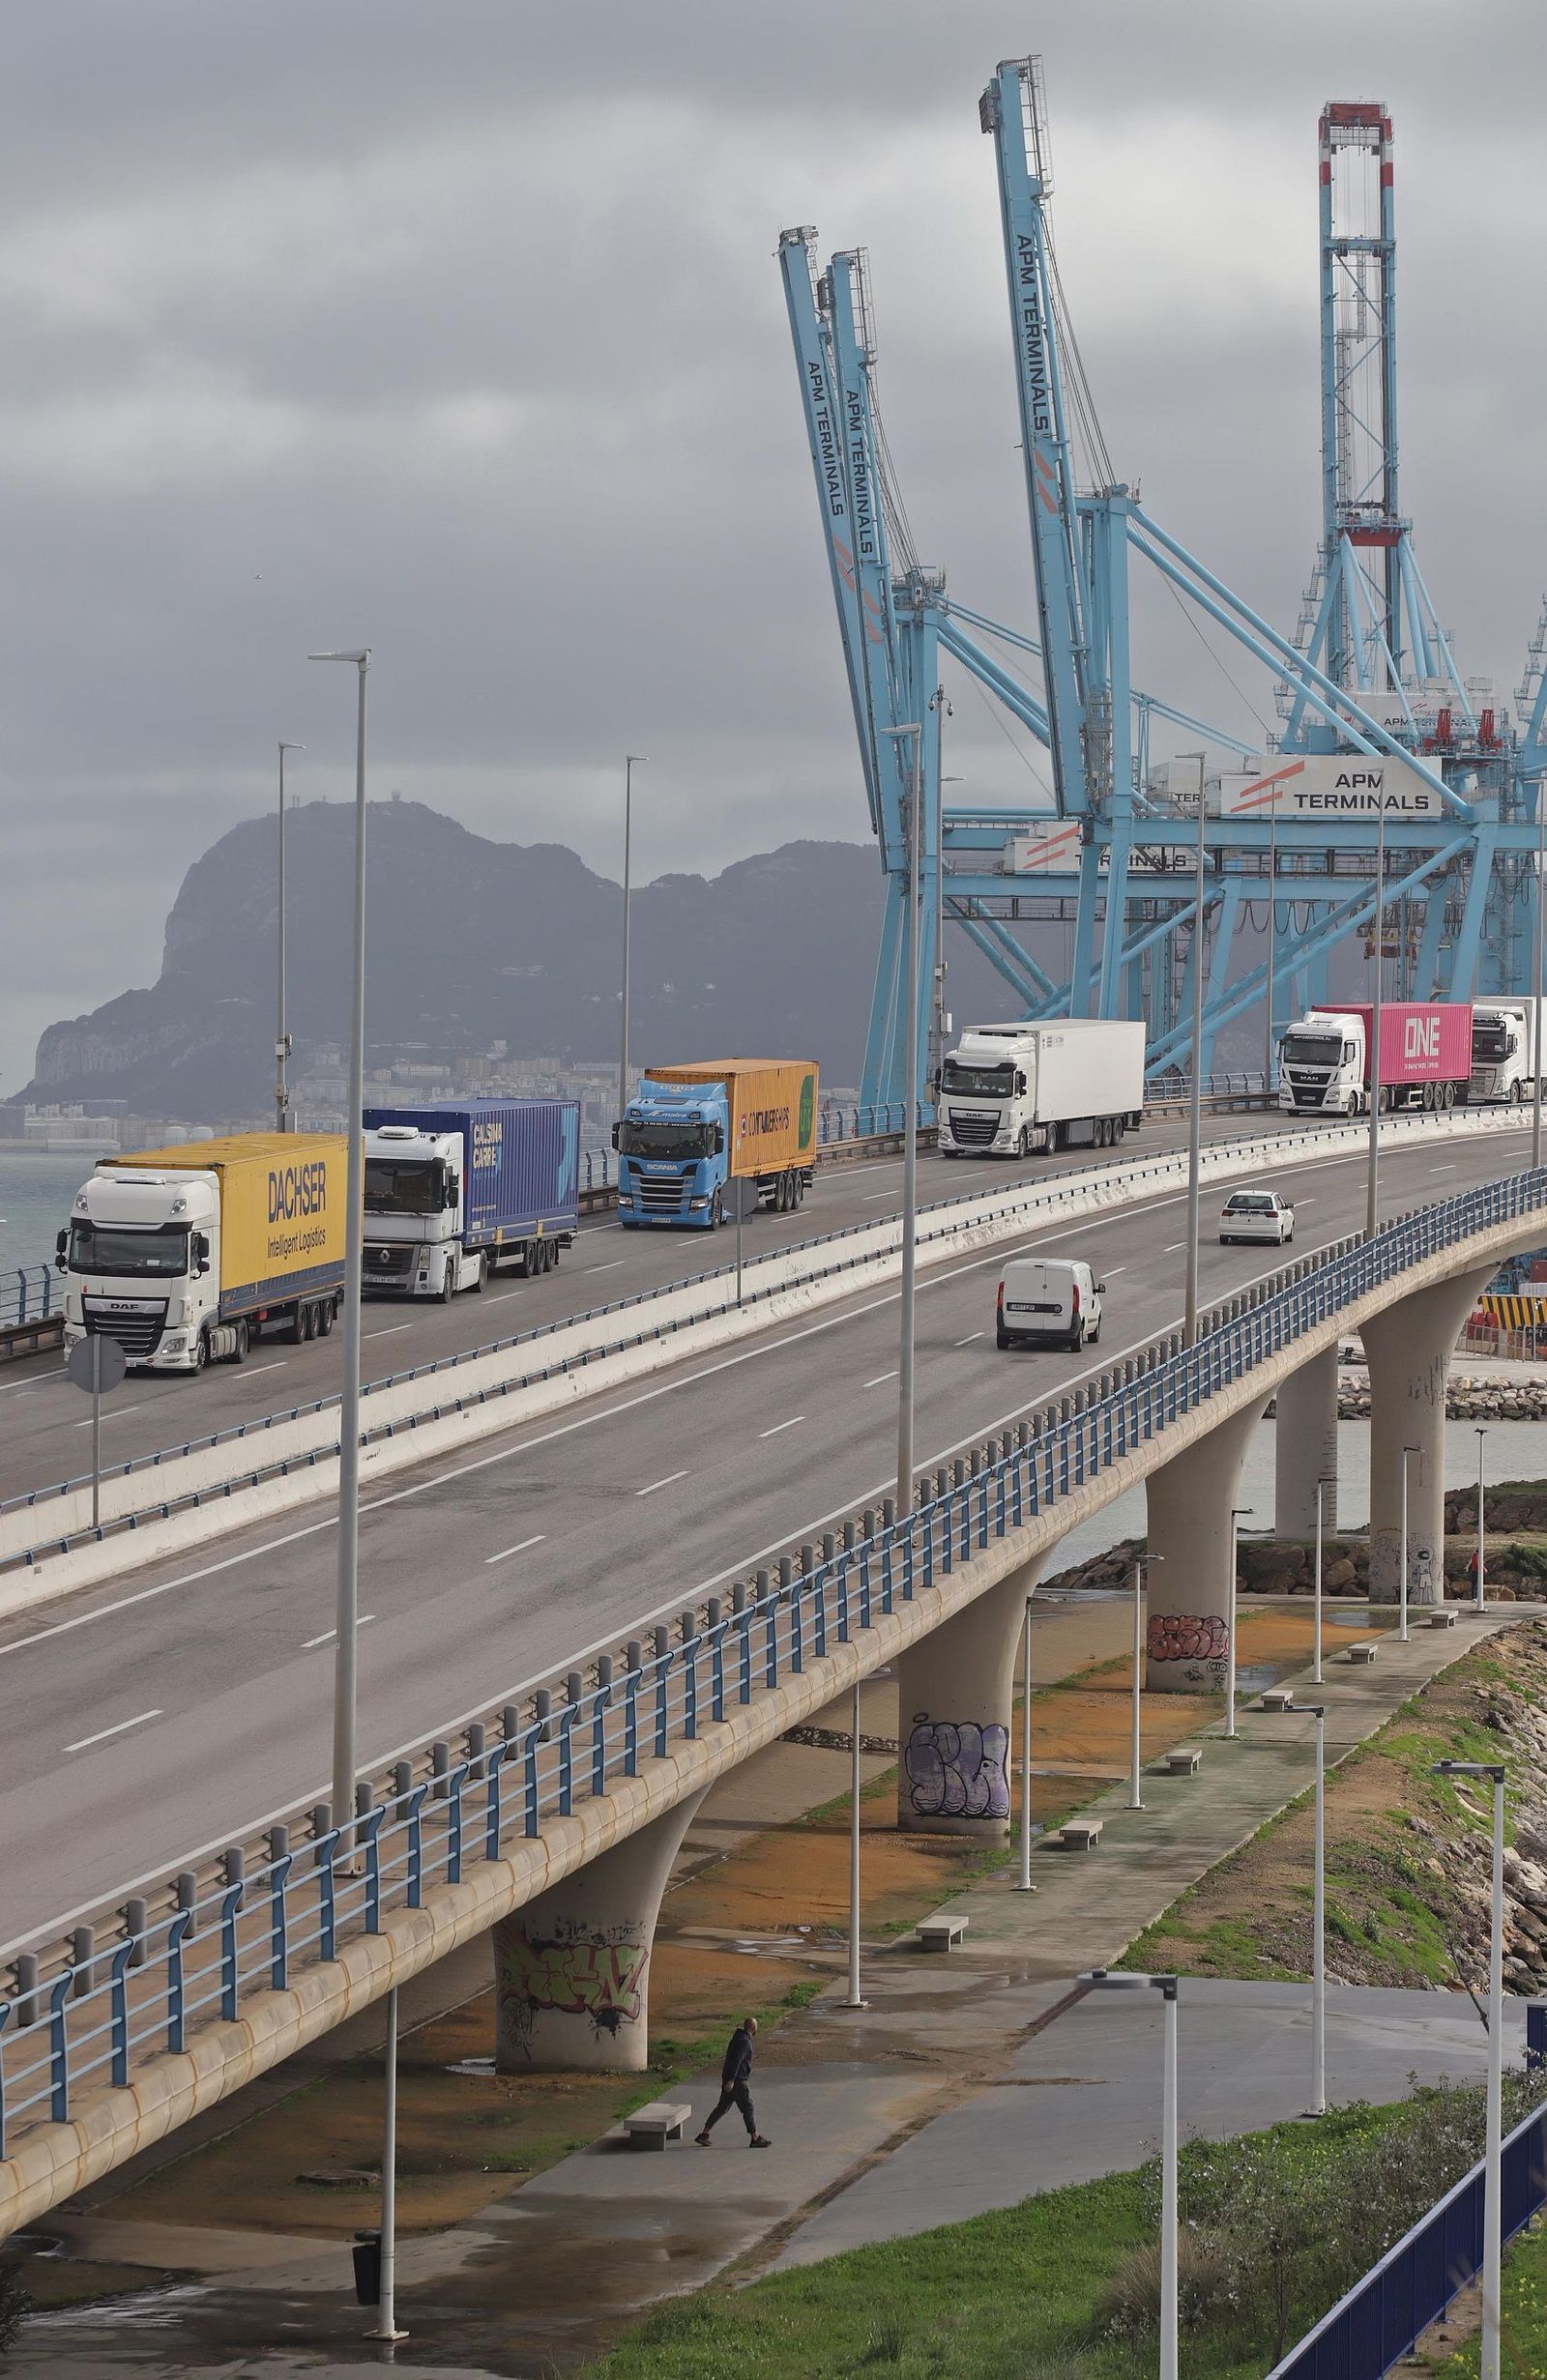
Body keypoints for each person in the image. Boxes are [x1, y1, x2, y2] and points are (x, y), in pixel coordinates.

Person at [695, 2015, 771, 2147]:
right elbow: (736, 2061)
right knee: (748, 2107)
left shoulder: (737, 2038)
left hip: (730, 2080)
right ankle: (755, 2137)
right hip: (738, 2081)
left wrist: (728, 2079)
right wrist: (731, 2079)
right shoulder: (745, 2042)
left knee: (721, 2108)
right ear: (753, 2028)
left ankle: (704, 2134)